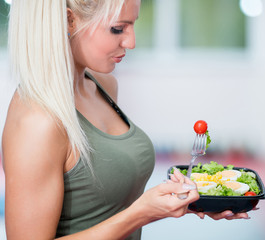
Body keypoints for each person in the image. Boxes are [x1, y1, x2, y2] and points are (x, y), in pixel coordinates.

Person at [1, 0, 250, 239]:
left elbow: (107, 206)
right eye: (117, 28)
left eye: (133, 24)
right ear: (69, 21)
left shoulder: (104, 86)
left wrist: (195, 201)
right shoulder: (37, 121)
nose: (131, 42)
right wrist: (141, 213)